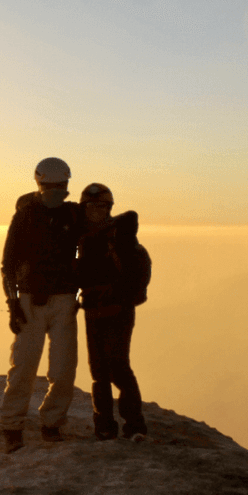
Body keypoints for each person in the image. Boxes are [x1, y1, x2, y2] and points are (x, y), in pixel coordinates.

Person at [0, 157, 84, 453]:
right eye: (52, 186)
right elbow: (8, 264)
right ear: (40, 184)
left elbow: (94, 240)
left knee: (63, 370)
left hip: (63, 301)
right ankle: (12, 426)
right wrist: (13, 305)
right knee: (23, 368)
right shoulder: (26, 216)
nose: (57, 191)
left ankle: (52, 423)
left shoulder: (73, 215)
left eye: (61, 186)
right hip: (30, 302)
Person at [75, 182, 151, 441]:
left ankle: (134, 426)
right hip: (94, 309)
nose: (95, 210)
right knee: (99, 371)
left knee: (117, 366)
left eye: (100, 206)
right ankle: (105, 426)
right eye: (90, 206)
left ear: (108, 208)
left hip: (117, 309)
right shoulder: (84, 237)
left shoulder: (119, 234)